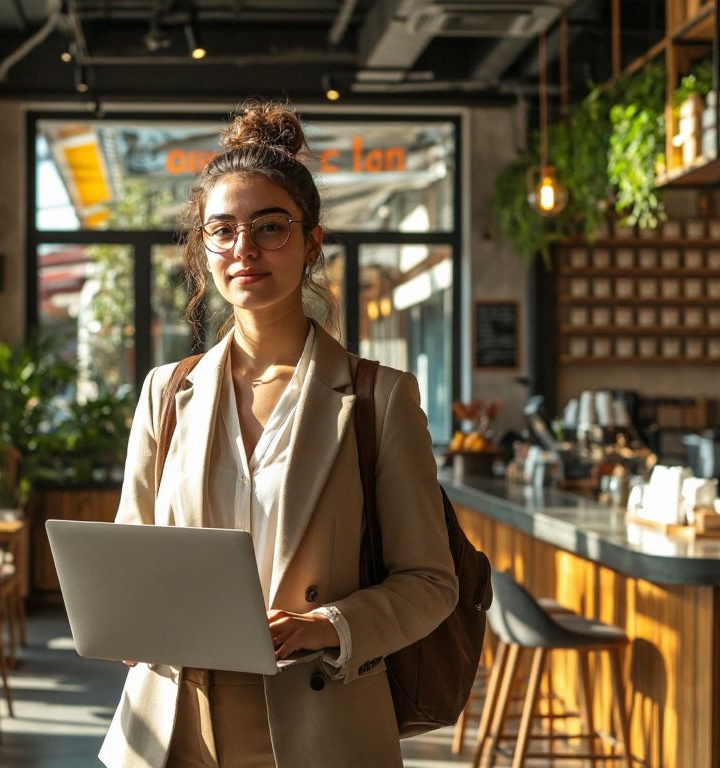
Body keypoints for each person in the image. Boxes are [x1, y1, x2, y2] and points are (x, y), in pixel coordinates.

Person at [99, 100, 457, 768]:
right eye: (222, 230)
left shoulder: (379, 398)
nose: (244, 249)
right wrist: (127, 618)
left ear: (312, 242)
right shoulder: (165, 393)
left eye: (270, 227)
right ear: (203, 247)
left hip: (320, 718)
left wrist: (327, 624)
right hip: (175, 721)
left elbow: (432, 582)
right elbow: (130, 561)